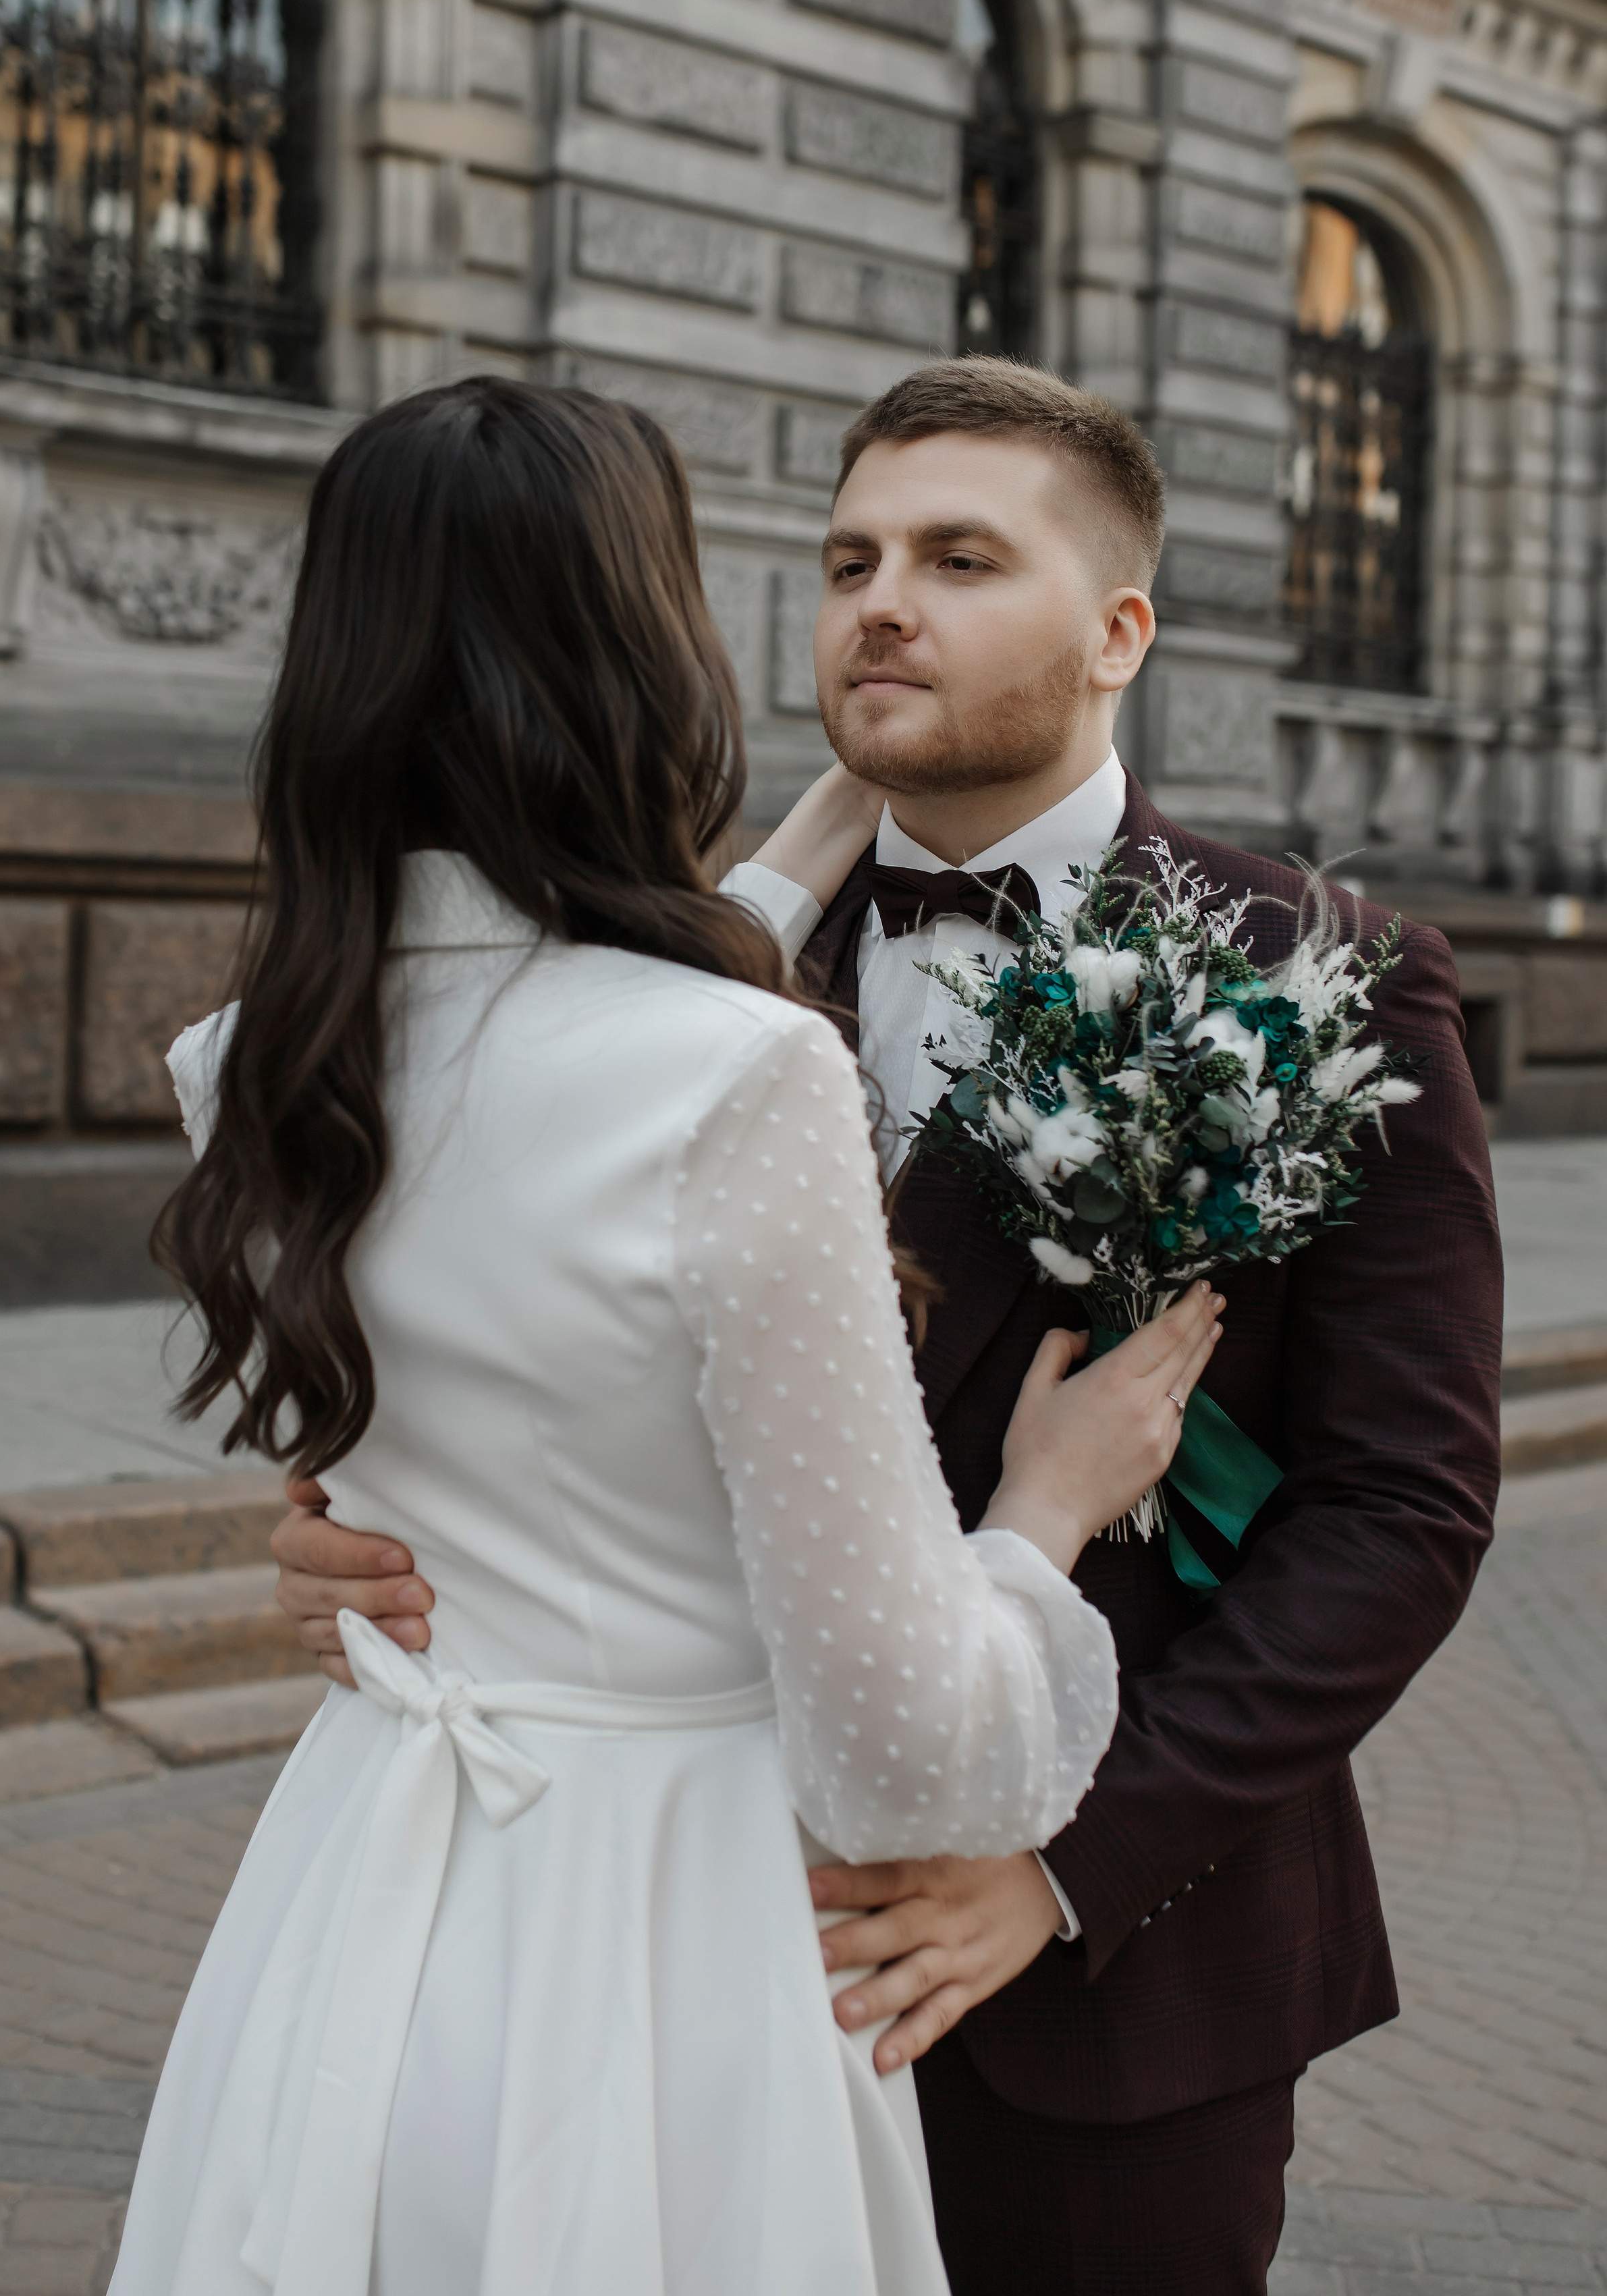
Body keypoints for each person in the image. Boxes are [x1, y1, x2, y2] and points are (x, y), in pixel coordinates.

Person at [277, 357, 1503, 2296]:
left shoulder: (1326, 975)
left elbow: (1402, 1511)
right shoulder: (687, 995)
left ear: (1119, 632)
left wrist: (1060, 1871)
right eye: (850, 556)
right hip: (703, 1962)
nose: (879, 602)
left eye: (958, 557)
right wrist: (368, 1522)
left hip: (1113, 1988)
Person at [111, 376, 1226, 2296]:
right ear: (641, 643)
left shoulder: (250, 1069)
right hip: (670, 1932)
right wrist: (1039, 1516)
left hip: (363, 1895)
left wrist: (800, 852)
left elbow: (533, 1082)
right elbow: (901, 1750)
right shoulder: (739, 1080)